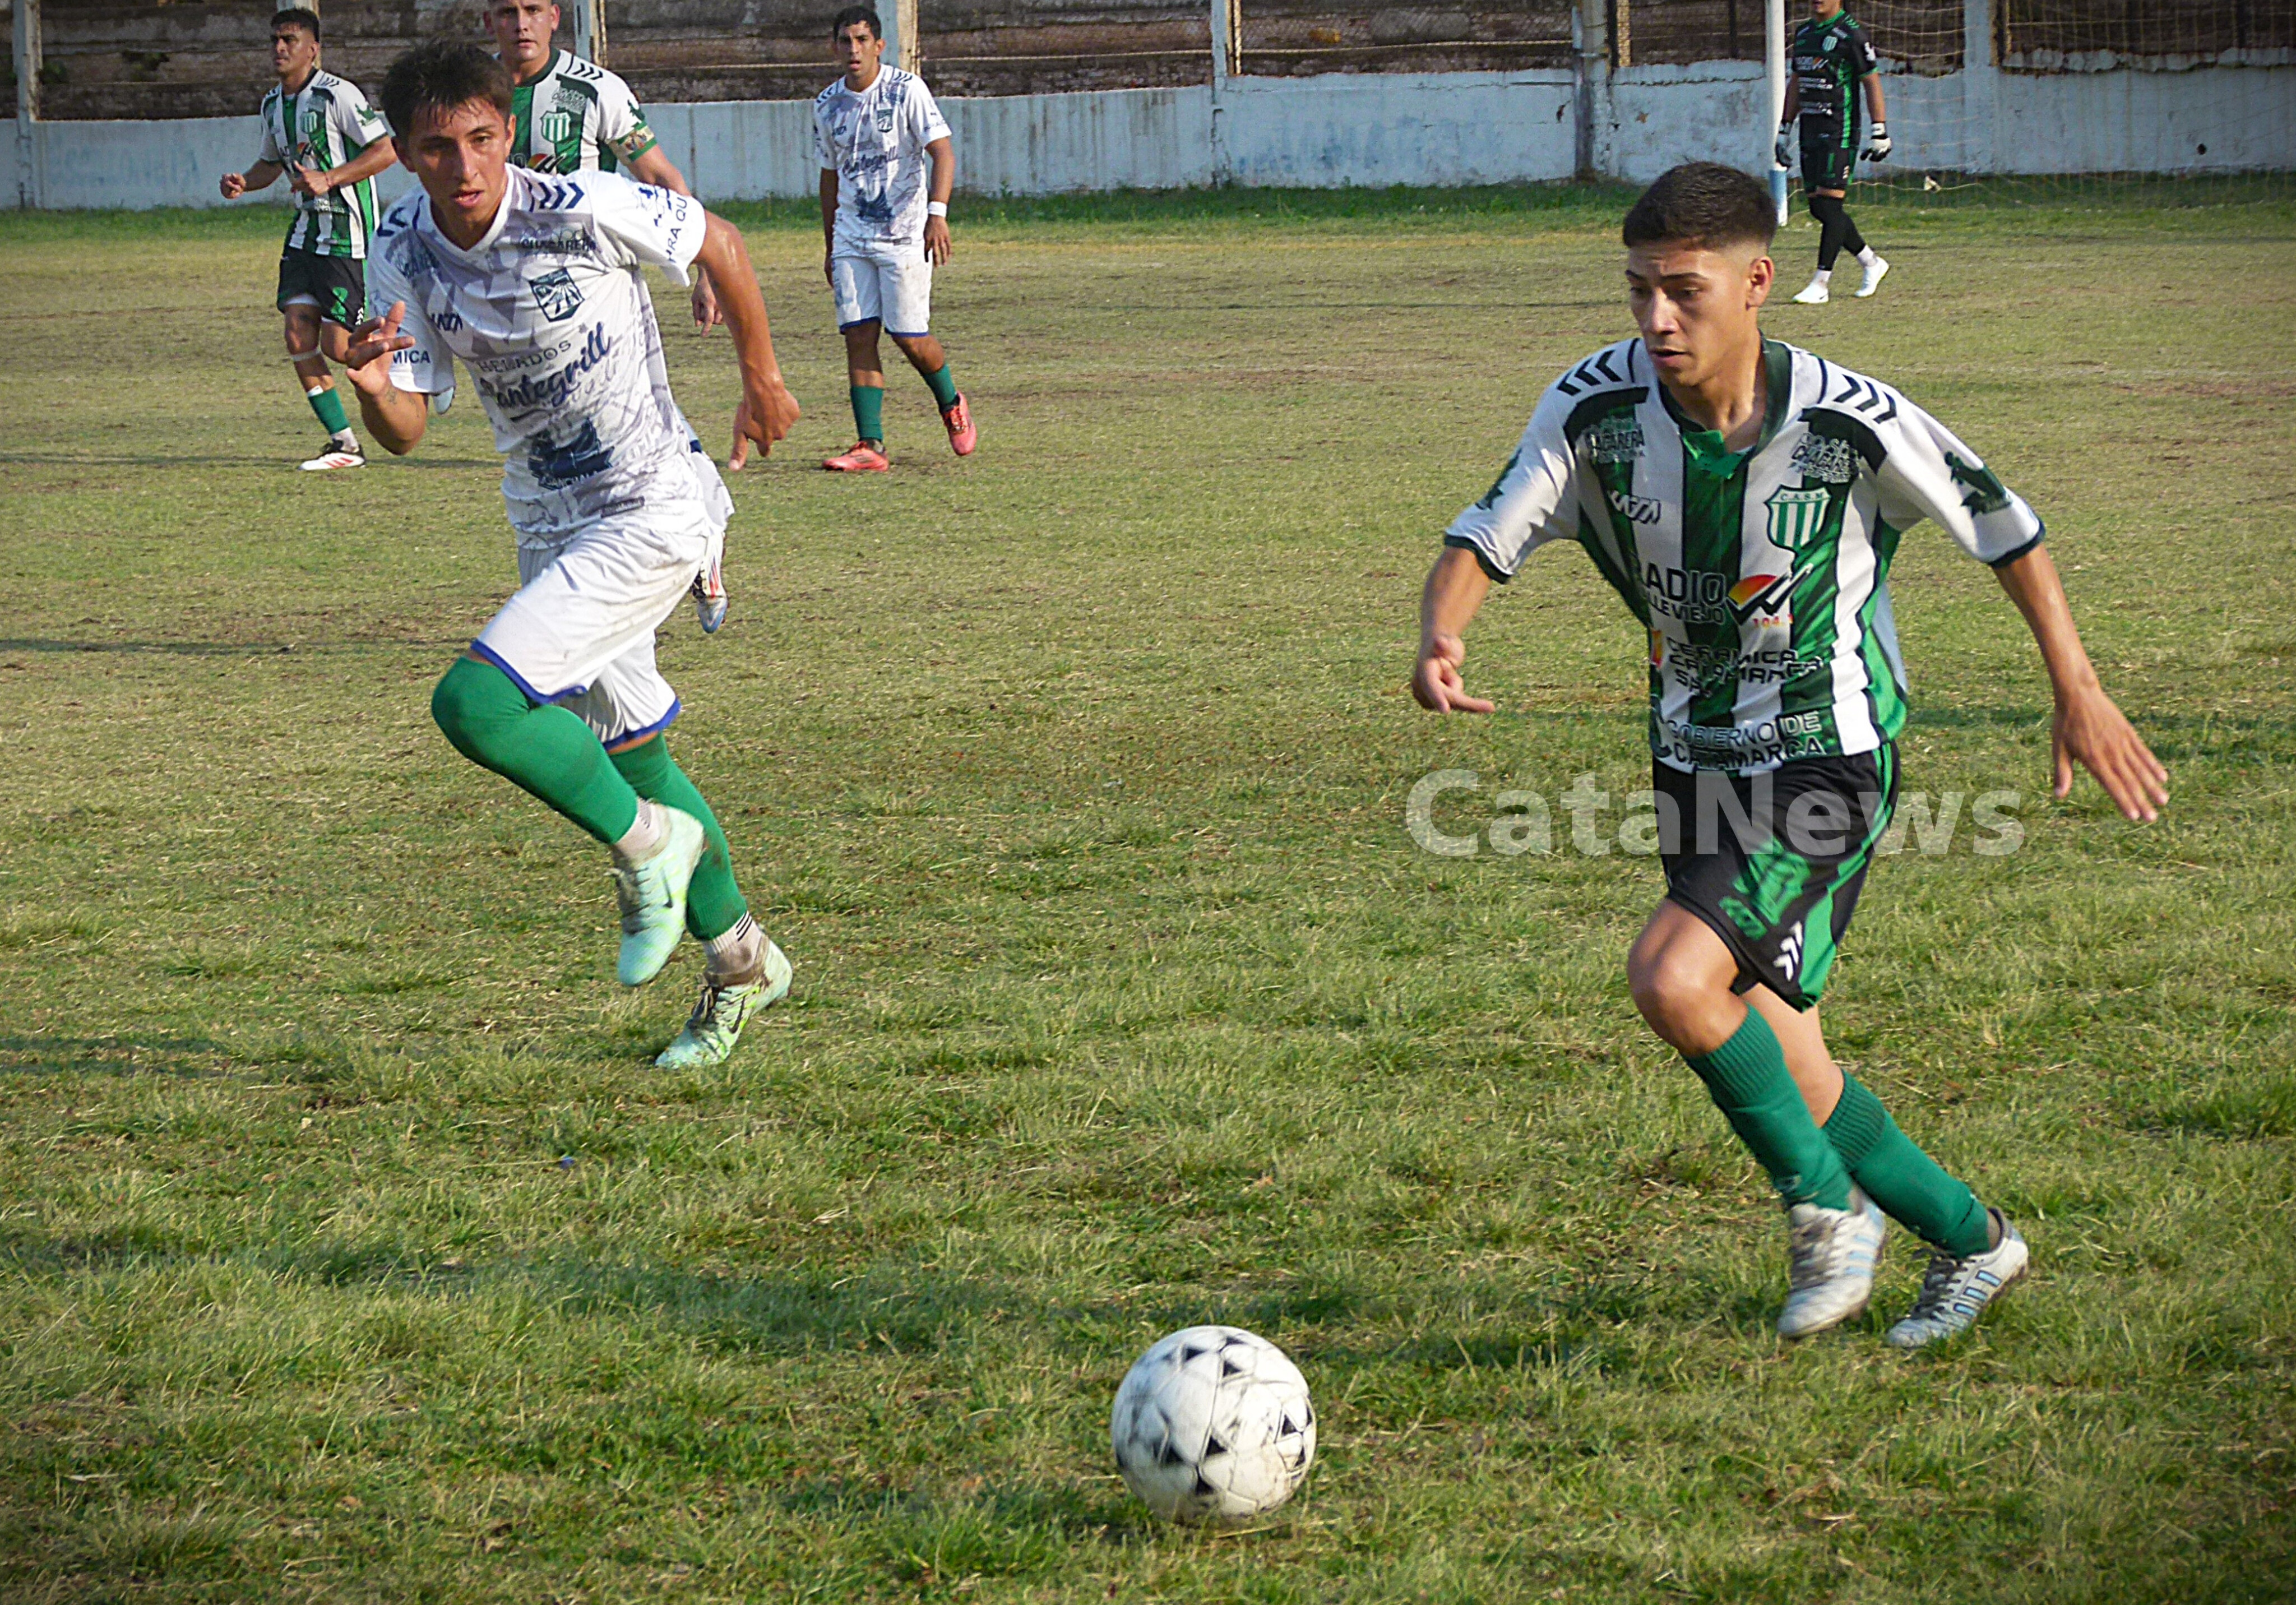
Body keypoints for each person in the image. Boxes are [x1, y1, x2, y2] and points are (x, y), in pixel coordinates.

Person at [1413, 163, 2168, 1347]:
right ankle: (1974, 1240)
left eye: (1684, 291)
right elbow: (1484, 531)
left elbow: (2004, 527)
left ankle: (1826, 1211)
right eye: (1638, 290)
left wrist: (2075, 686)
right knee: (1791, 1063)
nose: (1657, 318)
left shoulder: (1846, 417)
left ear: (1757, 282)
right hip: (1690, 759)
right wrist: (1441, 632)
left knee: (1671, 978)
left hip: (1827, 757)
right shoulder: (1593, 408)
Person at [344, 40, 804, 1067]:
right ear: (406, 156)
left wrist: (763, 377)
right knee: (635, 758)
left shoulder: (579, 204)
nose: (464, 166)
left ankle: (650, 847)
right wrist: (373, 390)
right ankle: (743, 963)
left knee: (476, 704)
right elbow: (409, 428)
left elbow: (721, 242)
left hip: (652, 502)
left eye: (480, 139)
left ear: (507, 131)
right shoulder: (404, 245)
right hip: (548, 520)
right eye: (437, 148)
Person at [485, 0, 730, 630]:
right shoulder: (474, 93)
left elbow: (661, 176)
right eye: (507, 11)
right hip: (511, 304)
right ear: (489, 21)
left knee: (636, 427)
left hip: (599, 295)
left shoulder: (594, 90)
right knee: (561, 442)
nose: (520, 23)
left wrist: (704, 268)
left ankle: (697, 536)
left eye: (533, 9)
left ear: (555, 17)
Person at [219, 8, 399, 471]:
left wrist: (330, 178)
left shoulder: (339, 95)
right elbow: (271, 163)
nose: (280, 48)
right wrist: (245, 182)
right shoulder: (271, 105)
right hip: (305, 234)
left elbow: (386, 150)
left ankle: (407, 375)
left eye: (290, 40)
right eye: (275, 40)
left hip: (347, 236)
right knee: (297, 332)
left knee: (341, 349)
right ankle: (344, 442)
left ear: (313, 49)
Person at [813, 5, 976, 472]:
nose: (853, 49)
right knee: (858, 333)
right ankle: (871, 444)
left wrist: (937, 215)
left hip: (904, 234)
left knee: (909, 337)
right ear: (835, 48)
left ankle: (951, 401)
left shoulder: (907, 90)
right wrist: (831, 245)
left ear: (879, 46)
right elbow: (829, 177)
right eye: (845, 41)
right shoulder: (826, 105)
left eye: (862, 40)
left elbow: (942, 152)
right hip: (852, 235)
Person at [1775, 0, 1890, 305]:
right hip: (1810, 131)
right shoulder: (1803, 34)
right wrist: (1785, 128)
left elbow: (1871, 81)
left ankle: (1821, 283)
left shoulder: (1852, 35)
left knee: (1830, 206)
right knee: (1819, 209)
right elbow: (1797, 82)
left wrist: (1880, 130)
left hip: (1840, 131)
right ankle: (1871, 262)